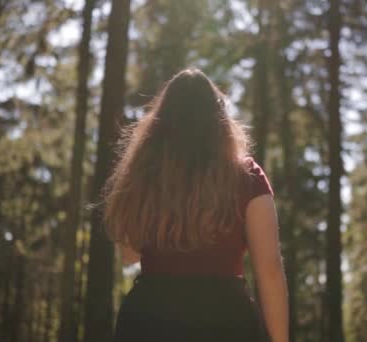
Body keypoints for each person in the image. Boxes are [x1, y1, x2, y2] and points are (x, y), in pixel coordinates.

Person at [104, 68, 289, 342]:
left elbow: (130, 254)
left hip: (148, 320)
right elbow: (270, 269)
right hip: (226, 321)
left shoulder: (142, 175)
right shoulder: (247, 177)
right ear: (220, 120)